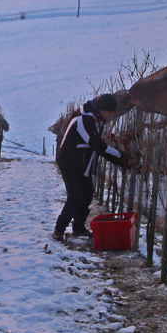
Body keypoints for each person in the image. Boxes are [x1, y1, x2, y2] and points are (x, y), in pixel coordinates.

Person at [53, 93, 127, 242]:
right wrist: (122, 158)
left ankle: (79, 228)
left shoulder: (95, 118)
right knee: (75, 198)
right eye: (109, 111)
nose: (111, 114)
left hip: (83, 164)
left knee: (86, 196)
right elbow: (97, 144)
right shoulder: (83, 119)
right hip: (71, 163)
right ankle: (58, 230)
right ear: (102, 109)